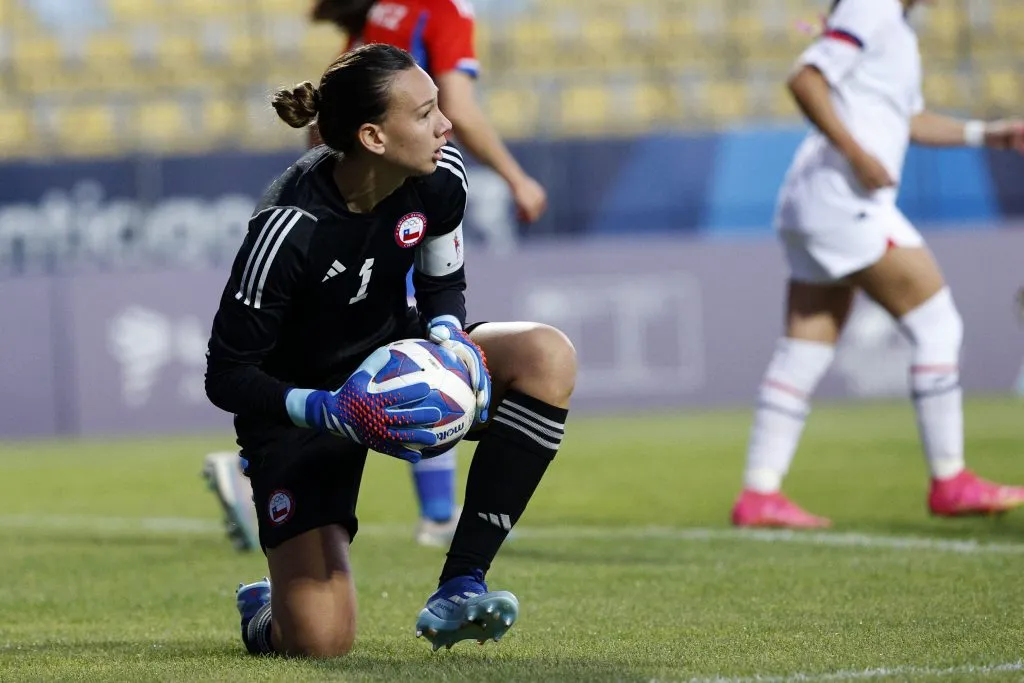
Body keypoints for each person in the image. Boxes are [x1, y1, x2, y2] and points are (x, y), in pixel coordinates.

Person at [205, 44, 576, 657]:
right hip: (303, 406)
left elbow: (442, 281)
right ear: (374, 137)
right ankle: (267, 611)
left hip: (395, 352)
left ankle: (460, 584)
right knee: (321, 643)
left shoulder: (441, 175)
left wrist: (448, 334)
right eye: (426, 113)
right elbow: (227, 375)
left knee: (546, 356)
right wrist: (327, 410)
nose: (447, 124)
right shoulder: (288, 230)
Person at [731, 0, 1024, 528]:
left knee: (804, 349)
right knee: (937, 324)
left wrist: (987, 134)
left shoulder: (892, 26)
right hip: (846, 199)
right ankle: (950, 479)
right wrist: (857, 153)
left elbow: (907, 119)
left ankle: (759, 493)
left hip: (813, 200)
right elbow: (805, 79)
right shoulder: (873, 5)